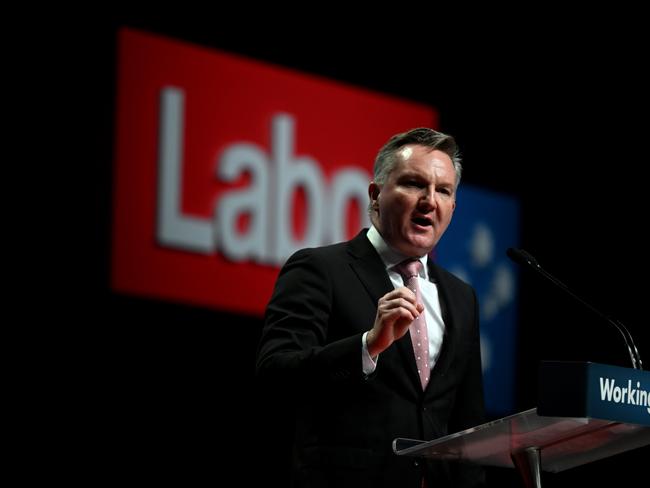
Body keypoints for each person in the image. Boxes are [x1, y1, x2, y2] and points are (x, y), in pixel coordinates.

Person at [256, 128, 486, 487]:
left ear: (453, 207)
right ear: (376, 195)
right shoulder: (320, 269)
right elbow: (275, 374)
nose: (429, 200)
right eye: (413, 184)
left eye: (443, 190)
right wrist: (367, 346)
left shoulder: (462, 297)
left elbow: (467, 423)